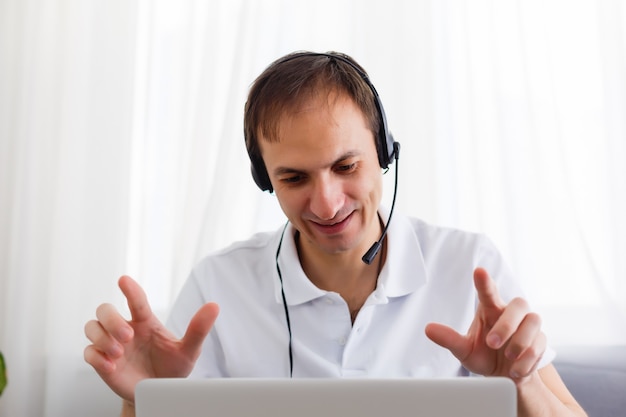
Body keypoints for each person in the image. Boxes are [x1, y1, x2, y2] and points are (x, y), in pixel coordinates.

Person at [84, 51, 587, 417]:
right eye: (294, 178)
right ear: (266, 180)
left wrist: (520, 384)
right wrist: (142, 400)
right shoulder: (219, 283)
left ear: (384, 154)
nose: (326, 204)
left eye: (346, 165)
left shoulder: (469, 265)